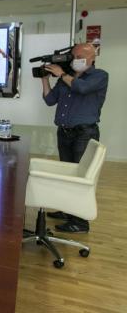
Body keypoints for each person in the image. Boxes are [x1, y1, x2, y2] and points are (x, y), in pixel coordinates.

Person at [42, 43, 109, 233]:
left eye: (80, 55)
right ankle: (67, 210)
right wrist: (45, 79)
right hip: (64, 131)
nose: (75, 59)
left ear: (92, 58)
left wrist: (61, 74)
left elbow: (82, 88)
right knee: (67, 173)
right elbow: (49, 100)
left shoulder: (99, 76)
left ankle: (80, 222)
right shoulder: (65, 78)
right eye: (74, 55)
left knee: (80, 177)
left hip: (84, 133)